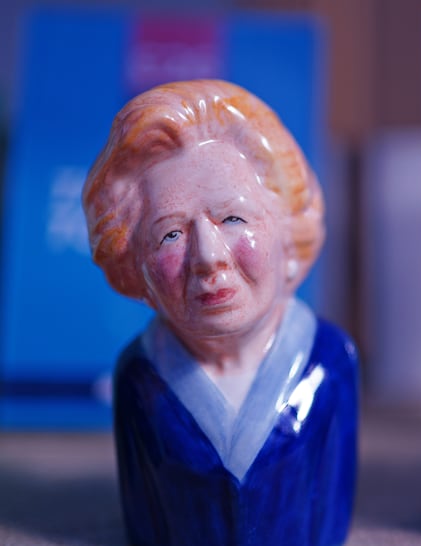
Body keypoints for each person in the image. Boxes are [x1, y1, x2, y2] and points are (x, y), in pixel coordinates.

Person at [82, 80, 358, 546]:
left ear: (289, 234)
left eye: (232, 218)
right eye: (170, 234)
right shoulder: (141, 379)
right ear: (135, 271)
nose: (208, 257)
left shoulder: (329, 362)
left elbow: (332, 508)